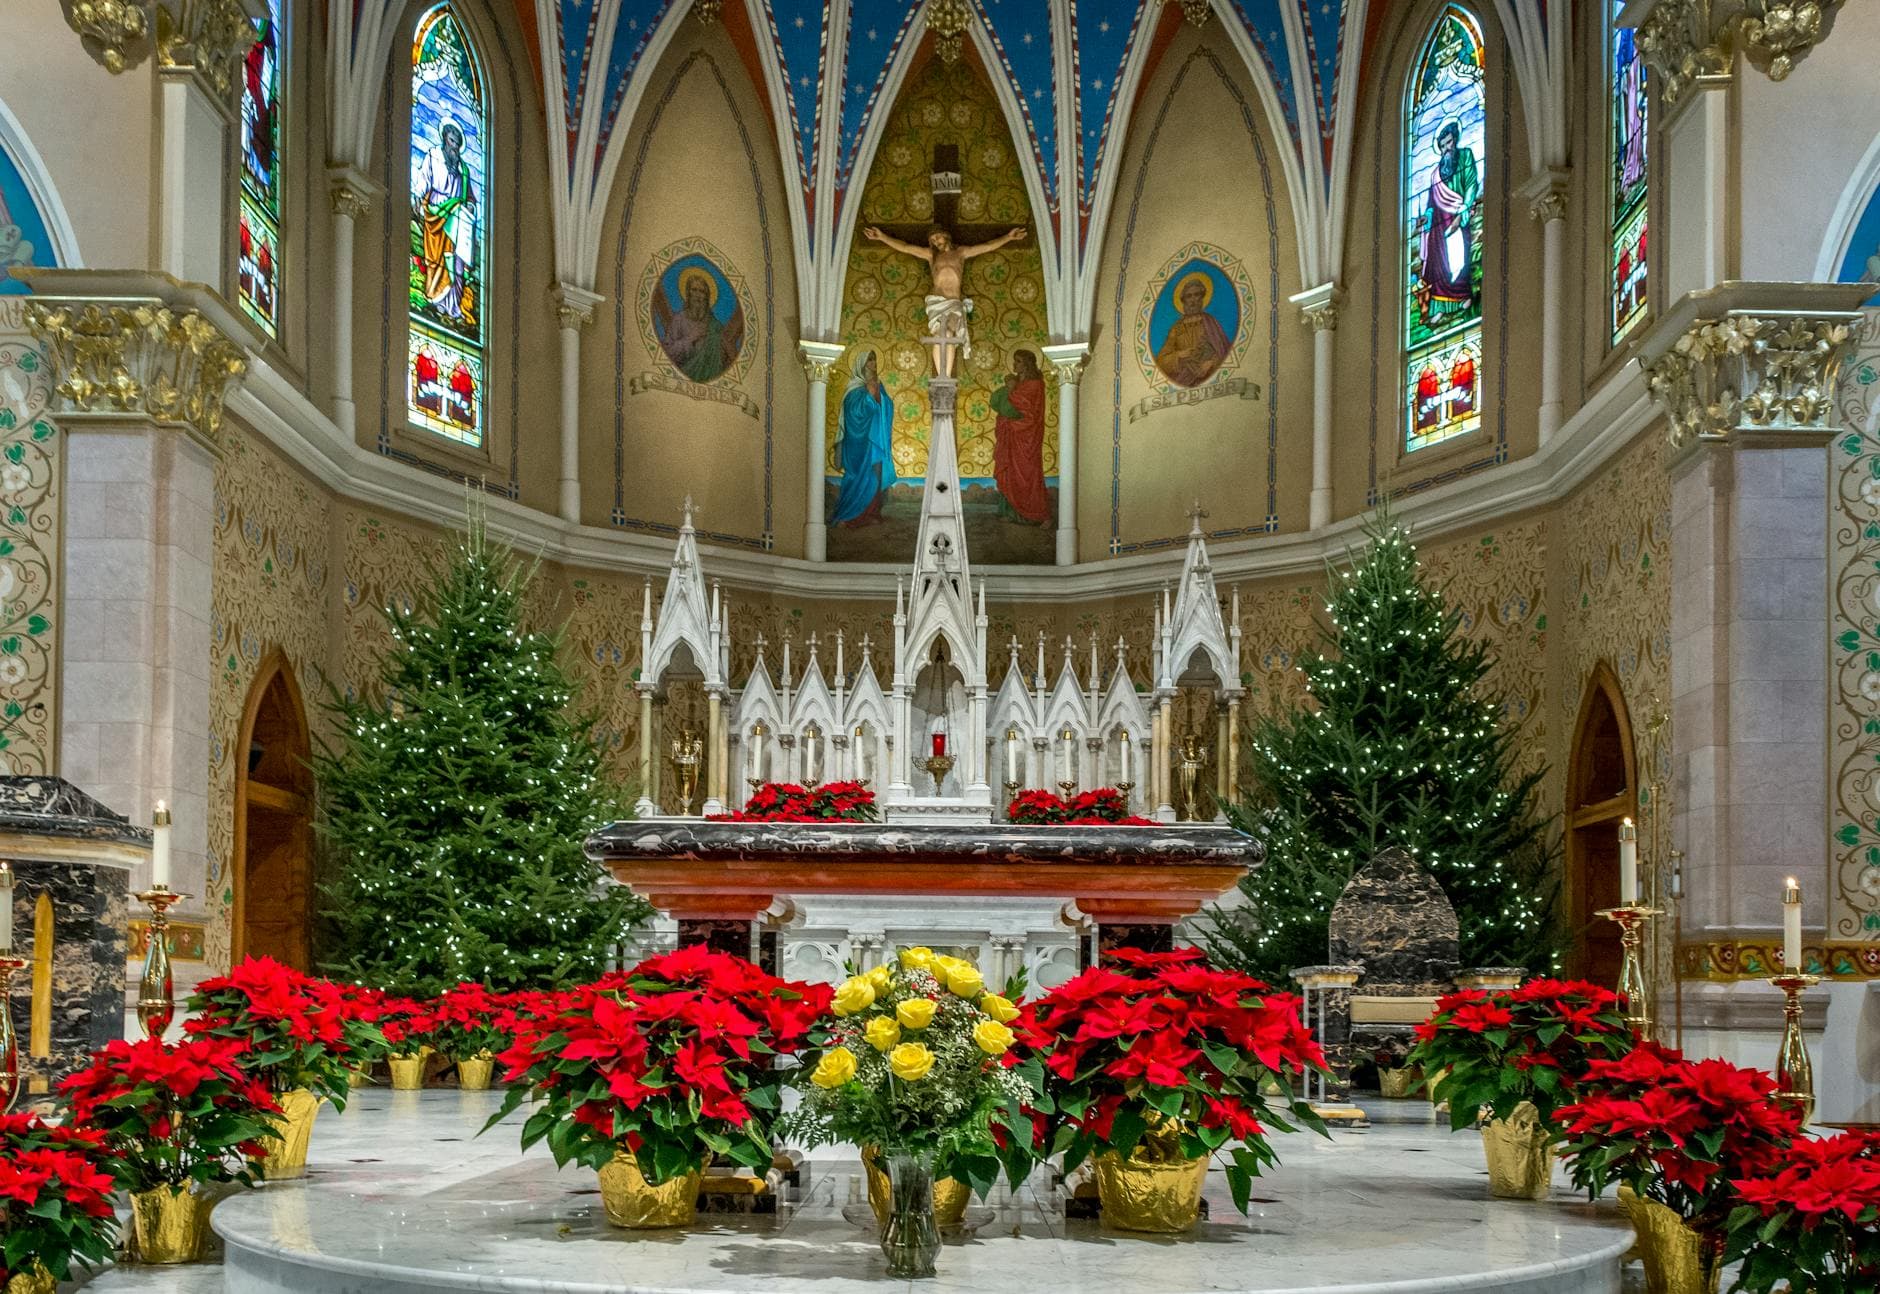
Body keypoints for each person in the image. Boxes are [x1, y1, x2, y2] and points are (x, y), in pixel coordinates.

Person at [861, 223, 1026, 376]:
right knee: (940, 335)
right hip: (936, 304)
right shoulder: (931, 255)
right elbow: (905, 247)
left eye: (937, 237)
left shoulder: (960, 253)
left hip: (953, 303)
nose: (935, 241)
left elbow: (987, 246)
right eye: (932, 240)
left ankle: (945, 376)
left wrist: (1009, 237)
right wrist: (882, 237)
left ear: (946, 236)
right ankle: (941, 376)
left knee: (949, 334)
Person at [1412, 120, 1480, 330]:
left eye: (1448, 143)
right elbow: (1433, 203)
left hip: (1458, 217)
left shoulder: (1466, 156)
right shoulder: (1436, 173)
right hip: (1439, 226)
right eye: (1442, 146)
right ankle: (1439, 308)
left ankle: (1463, 297)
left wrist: (1463, 212)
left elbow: (1471, 185)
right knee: (1439, 264)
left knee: (1459, 259)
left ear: (1455, 140)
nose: (1445, 149)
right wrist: (1426, 219)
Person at [413, 121, 479, 329]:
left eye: (458, 144)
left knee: (457, 261)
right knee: (436, 259)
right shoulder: (433, 157)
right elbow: (423, 181)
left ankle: (453, 306)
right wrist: (417, 196)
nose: (454, 147)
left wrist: (468, 206)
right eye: (452, 141)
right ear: (444, 139)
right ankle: (435, 299)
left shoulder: (464, 170)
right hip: (436, 215)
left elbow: (470, 198)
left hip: (457, 222)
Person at [829, 349, 896, 527]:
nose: (873, 363)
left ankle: (871, 514)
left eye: (874, 360)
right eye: (869, 360)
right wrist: (869, 395)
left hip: (875, 441)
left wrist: (878, 395)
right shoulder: (854, 388)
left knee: (876, 474)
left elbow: (887, 406)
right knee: (858, 476)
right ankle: (848, 515)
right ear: (861, 364)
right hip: (858, 443)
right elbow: (853, 414)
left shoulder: (877, 384)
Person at [653, 267, 743, 383]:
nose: (698, 295)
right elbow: (667, 351)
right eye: (694, 290)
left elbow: (725, 350)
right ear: (688, 293)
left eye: (702, 291)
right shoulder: (679, 319)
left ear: (707, 296)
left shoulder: (714, 325)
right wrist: (690, 339)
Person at [990, 349, 1049, 524]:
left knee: (1029, 475)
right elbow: (1001, 404)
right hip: (1011, 437)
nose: (1015, 365)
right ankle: (1011, 513)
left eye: (1019, 361)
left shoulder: (1035, 384)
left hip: (1026, 438)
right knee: (1010, 474)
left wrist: (1011, 390)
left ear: (1028, 364)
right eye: (1014, 361)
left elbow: (1027, 408)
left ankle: (1040, 515)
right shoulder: (1017, 383)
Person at [1154, 273, 1232, 388]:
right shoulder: (1176, 328)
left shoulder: (1210, 322)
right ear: (1183, 300)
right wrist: (1179, 355)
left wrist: (1211, 363)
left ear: (1202, 297)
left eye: (1196, 295)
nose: (1193, 300)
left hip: (1211, 379)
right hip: (1183, 381)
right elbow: (1161, 361)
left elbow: (1225, 350)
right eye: (1189, 296)